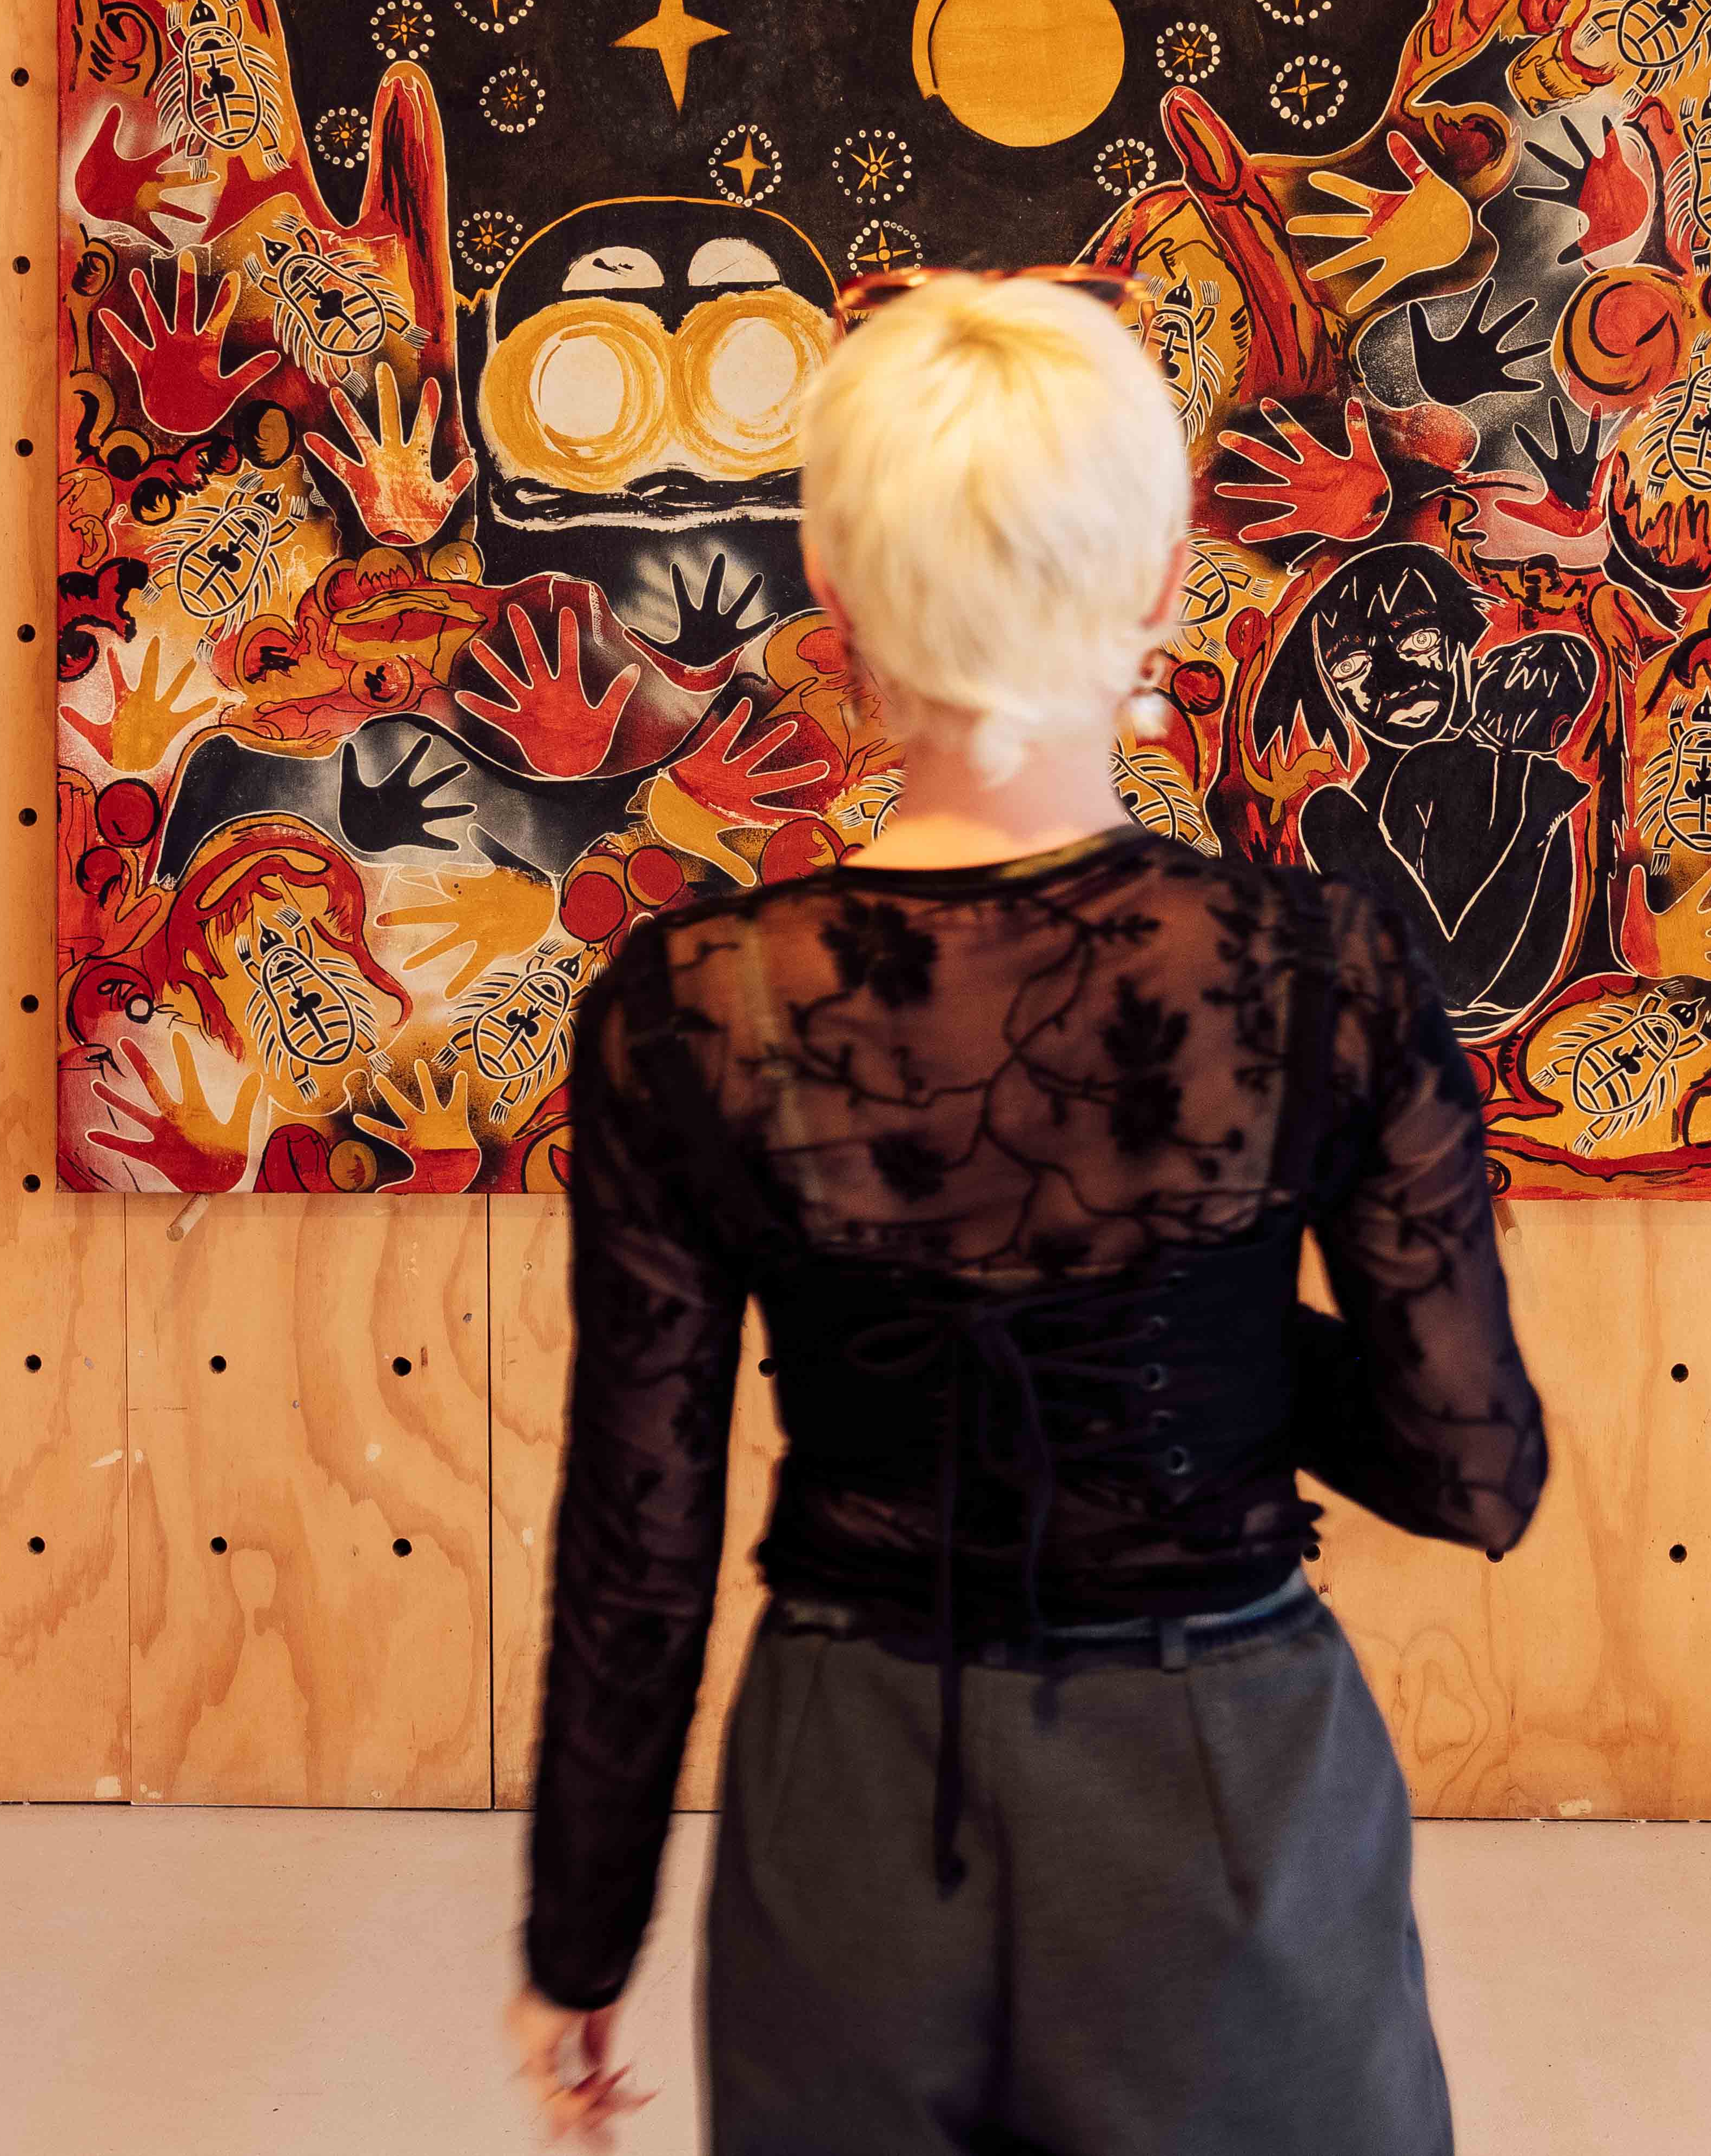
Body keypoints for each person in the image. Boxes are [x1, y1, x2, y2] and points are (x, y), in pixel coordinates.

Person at [507, 273, 1550, 2152]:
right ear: (1163, 584)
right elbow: (1477, 1473)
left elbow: (637, 1544)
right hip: (1224, 1789)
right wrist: (1203, 1336)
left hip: (846, 1794)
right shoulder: (1319, 968)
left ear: (834, 600)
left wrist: (581, 1946)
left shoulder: (696, 1001)